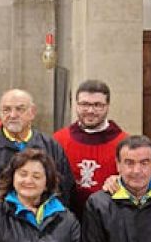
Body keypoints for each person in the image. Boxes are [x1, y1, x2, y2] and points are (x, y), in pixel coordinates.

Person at [0, 89, 74, 237]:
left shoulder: (50, 146)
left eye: (20, 109)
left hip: (43, 235)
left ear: (32, 112)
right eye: (6, 110)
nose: (12, 115)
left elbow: (64, 192)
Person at [53, 79, 127, 215]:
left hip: (109, 217)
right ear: (76, 105)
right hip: (66, 216)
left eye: (98, 105)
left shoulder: (124, 143)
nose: (90, 110)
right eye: (84, 104)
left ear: (108, 106)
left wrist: (122, 181)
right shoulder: (59, 140)